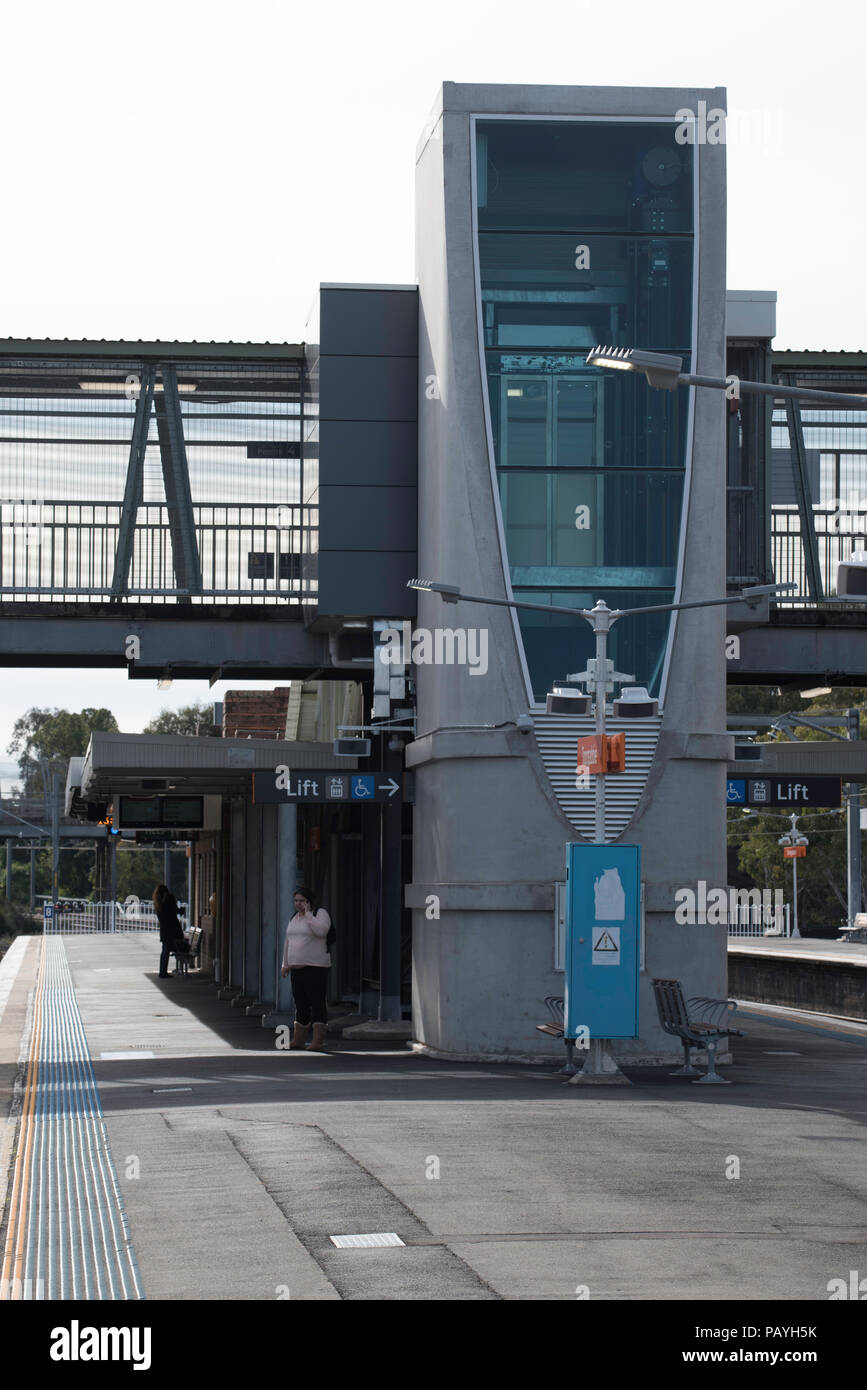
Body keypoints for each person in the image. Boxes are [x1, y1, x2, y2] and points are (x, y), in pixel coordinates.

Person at [281, 889, 331, 1050]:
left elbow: (321, 931)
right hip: (296, 968)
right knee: (300, 1003)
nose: (298, 904)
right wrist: (285, 964)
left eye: (302, 900)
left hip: (315, 967)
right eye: (296, 900)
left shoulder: (320, 913)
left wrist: (309, 915)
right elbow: (288, 941)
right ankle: (299, 1040)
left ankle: (318, 1041)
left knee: (316, 1002)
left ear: (309, 901)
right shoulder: (294, 918)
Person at [153, 883, 183, 978]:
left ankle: (162, 971)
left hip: (164, 931)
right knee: (166, 951)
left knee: (164, 951)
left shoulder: (158, 902)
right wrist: (181, 910)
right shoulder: (169, 900)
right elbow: (174, 911)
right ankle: (163, 973)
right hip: (171, 930)